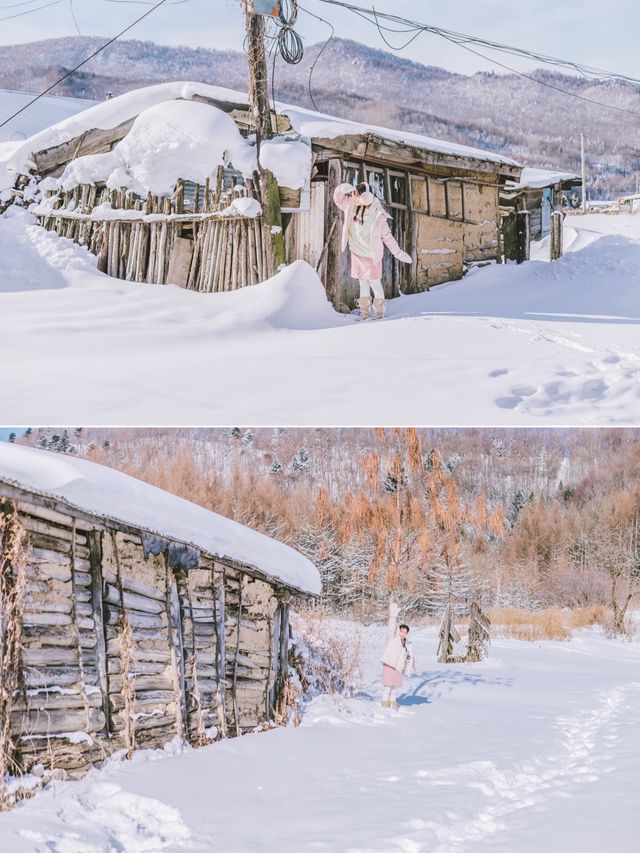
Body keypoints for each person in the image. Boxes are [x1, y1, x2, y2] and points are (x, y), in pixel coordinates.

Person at [333, 180, 412, 320]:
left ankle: (380, 313)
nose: (353, 196)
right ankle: (365, 313)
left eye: (355, 195)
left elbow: (388, 237)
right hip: (357, 253)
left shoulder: (378, 215)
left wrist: (398, 252)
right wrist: (342, 188)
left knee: (375, 283)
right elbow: (337, 198)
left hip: (371, 255)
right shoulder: (350, 205)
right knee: (362, 282)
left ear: (365, 197)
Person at [381, 600, 416, 709]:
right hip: (390, 665)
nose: (403, 634)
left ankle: (392, 703)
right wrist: (393, 616)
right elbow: (391, 627)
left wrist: (414, 666)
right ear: (398, 631)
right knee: (388, 686)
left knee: (395, 687)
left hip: (398, 668)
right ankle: (384, 703)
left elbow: (409, 657)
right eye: (401, 631)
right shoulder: (393, 638)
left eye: (405, 632)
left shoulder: (407, 645)